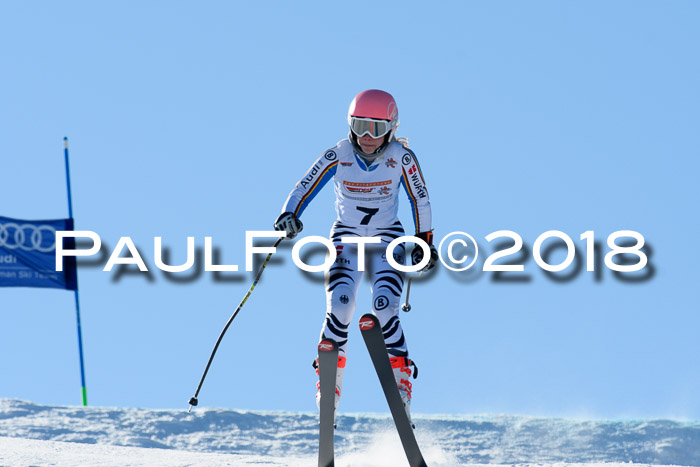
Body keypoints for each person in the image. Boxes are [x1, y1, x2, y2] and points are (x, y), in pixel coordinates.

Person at [274, 89, 437, 421]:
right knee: (341, 304)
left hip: (386, 239)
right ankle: (329, 384)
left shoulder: (401, 158)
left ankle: (400, 382)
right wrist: (288, 214)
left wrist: (425, 242)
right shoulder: (339, 154)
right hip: (346, 239)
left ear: (390, 129)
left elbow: (420, 199)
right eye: (360, 126)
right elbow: (305, 185)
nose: (366, 137)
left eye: (375, 129)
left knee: (385, 308)